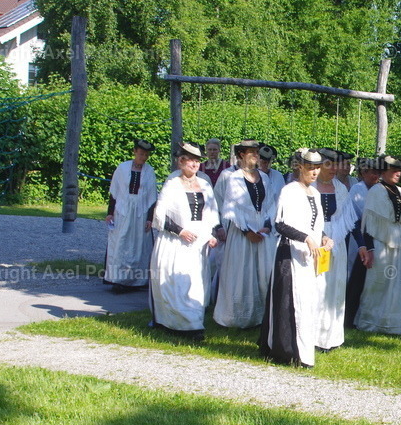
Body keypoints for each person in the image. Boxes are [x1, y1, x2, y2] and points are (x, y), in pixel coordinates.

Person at [258, 148, 333, 367]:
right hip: (289, 254)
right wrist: (306, 239)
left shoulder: (316, 193)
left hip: (309, 258)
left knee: (308, 302)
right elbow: (280, 224)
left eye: (318, 167)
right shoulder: (289, 190)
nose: (315, 172)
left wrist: (324, 238)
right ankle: (287, 351)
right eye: (310, 167)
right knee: (289, 302)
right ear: (300, 167)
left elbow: (317, 226)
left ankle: (303, 349)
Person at [149, 142, 220, 340]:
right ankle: (180, 323)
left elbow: (211, 213)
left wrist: (212, 234)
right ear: (181, 162)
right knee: (178, 282)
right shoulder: (172, 184)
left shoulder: (205, 184)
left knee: (197, 282)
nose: (195, 165)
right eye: (191, 161)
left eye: (198, 161)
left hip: (198, 243)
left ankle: (194, 321)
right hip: (176, 242)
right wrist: (180, 231)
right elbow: (160, 215)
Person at [354, 155, 401, 335]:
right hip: (380, 244)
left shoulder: (400, 191)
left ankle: (398, 321)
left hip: (399, 244)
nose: (398, 173)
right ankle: (372, 321)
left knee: (400, 283)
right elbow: (368, 224)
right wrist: (369, 249)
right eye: (394, 170)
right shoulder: (376, 191)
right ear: (383, 171)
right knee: (378, 283)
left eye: (399, 170)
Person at [212, 140, 274, 329]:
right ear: (241, 155)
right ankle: (236, 317)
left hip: (262, 234)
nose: (256, 155)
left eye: (257, 152)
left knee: (263, 272)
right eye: (251, 152)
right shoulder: (235, 178)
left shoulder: (264, 177)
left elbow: (271, 205)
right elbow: (231, 207)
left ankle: (261, 316)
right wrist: (247, 231)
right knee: (241, 273)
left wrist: (266, 226)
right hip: (241, 234)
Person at [313, 148, 358, 351]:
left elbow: (347, 219)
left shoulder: (341, 189)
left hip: (336, 243)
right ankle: (312, 335)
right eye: (328, 164)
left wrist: (334, 238)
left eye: (336, 164)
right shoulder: (309, 187)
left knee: (335, 288)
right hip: (313, 243)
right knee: (316, 288)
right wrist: (319, 237)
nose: (334, 169)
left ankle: (330, 337)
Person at [104, 139, 157, 290]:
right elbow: (114, 192)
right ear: (134, 152)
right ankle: (118, 279)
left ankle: (136, 280)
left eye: (146, 155)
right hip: (122, 211)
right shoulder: (122, 168)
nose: (143, 157)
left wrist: (149, 218)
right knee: (121, 243)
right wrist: (110, 213)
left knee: (139, 244)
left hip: (140, 213)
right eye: (141, 154)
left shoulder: (149, 171)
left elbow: (152, 197)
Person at [344, 156, 384, 328]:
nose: (375, 175)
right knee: (355, 275)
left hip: (377, 237)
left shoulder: (379, 189)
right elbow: (360, 218)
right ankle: (350, 315)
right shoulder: (357, 190)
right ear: (363, 173)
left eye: (378, 172)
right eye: (371, 172)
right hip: (359, 238)